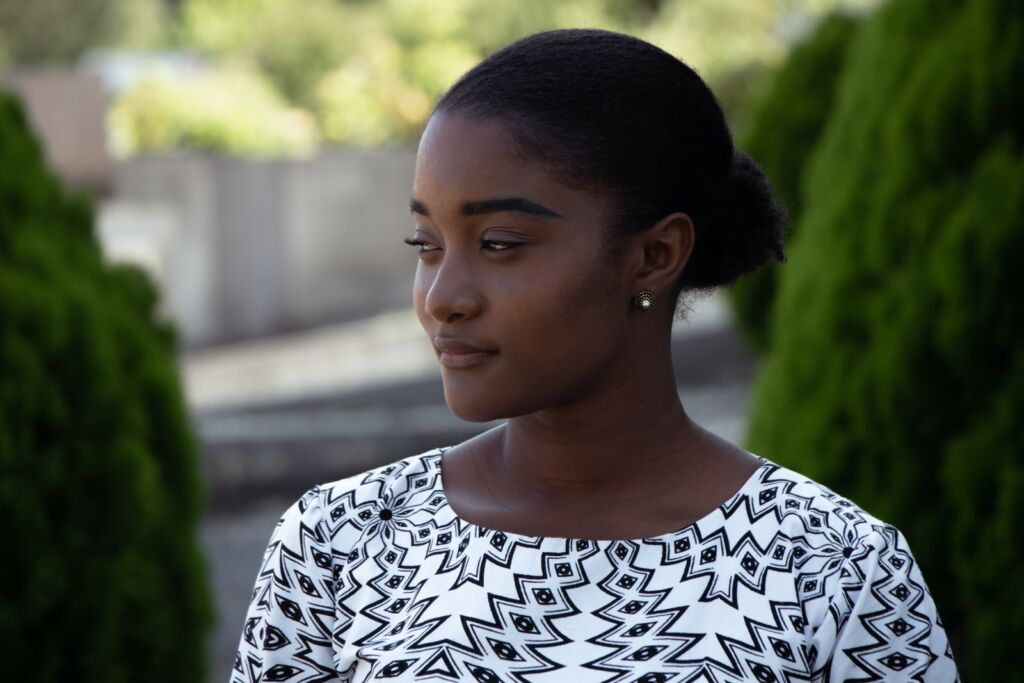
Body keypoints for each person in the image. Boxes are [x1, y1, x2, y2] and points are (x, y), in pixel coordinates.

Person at [231, 28, 958, 682]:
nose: (442, 295)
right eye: (426, 245)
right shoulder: (338, 542)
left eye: (500, 244)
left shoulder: (834, 567)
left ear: (654, 255)